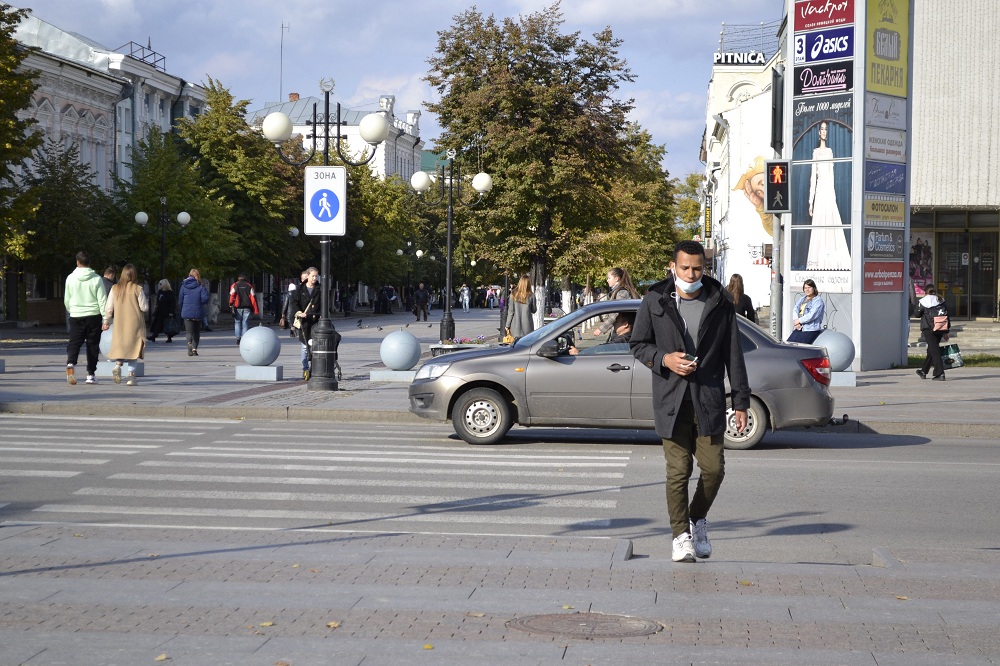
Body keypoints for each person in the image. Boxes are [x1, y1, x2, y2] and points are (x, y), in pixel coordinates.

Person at [630, 240, 750, 563]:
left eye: (697, 268)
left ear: (704, 268)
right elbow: (638, 344)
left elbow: (733, 354)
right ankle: (680, 536)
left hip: (708, 398)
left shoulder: (720, 301)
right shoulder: (655, 299)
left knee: (714, 470)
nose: (691, 274)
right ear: (673, 266)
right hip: (671, 399)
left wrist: (741, 401)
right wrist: (664, 359)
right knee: (678, 470)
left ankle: (697, 519)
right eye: (685, 267)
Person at [806, 121, 851, 271]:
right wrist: (811, 201)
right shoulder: (816, 152)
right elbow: (813, 178)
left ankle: (832, 262)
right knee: (819, 225)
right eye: (822, 129)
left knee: (832, 224)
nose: (824, 132)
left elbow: (831, 175)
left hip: (829, 191)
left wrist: (833, 195)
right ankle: (819, 262)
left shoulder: (830, 152)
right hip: (819, 191)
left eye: (826, 129)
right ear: (819, 132)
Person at [64, 251, 108, 385]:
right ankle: (91, 374)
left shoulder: (70, 278)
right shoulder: (96, 279)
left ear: (77, 262)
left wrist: (72, 310)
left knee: (74, 342)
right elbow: (102, 300)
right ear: (90, 263)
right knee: (92, 345)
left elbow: (67, 299)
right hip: (93, 315)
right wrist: (106, 318)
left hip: (76, 314)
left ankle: (71, 363)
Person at [102, 264, 148, 386]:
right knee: (134, 350)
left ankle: (117, 366)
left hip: (119, 323)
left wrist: (106, 321)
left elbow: (109, 308)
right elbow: (144, 307)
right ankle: (131, 377)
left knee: (121, 347)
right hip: (135, 324)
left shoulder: (115, 288)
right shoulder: (137, 289)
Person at [915, 287, 949, 381]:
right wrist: (946, 331)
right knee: (932, 349)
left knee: (934, 350)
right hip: (940, 327)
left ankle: (940, 373)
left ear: (925, 292)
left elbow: (917, 314)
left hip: (928, 328)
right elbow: (946, 315)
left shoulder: (923, 301)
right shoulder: (941, 300)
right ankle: (923, 371)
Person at [594, 267, 640, 336]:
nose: (607, 280)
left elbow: (616, 313)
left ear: (616, 279)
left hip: (623, 330)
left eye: (609, 278)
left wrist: (601, 329)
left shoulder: (622, 292)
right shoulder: (618, 291)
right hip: (622, 329)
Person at [293, 267, 321, 380]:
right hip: (304, 322)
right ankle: (305, 368)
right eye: (313, 276)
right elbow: (294, 303)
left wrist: (322, 315)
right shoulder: (300, 289)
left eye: (316, 276)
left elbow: (324, 304)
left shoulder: (319, 289)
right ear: (308, 276)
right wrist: (299, 313)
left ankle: (313, 368)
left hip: (315, 321)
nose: (315, 278)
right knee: (304, 346)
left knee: (314, 346)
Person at [177, 268, 210, 356]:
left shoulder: (183, 286)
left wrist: (182, 308)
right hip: (198, 311)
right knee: (196, 332)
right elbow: (205, 299)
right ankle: (194, 349)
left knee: (189, 332)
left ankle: (189, 343)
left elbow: (180, 300)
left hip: (186, 311)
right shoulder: (200, 286)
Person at [569, 312, 634, 355]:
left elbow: (604, 348)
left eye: (617, 322)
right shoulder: (627, 337)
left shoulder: (622, 341)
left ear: (625, 324)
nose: (614, 324)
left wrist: (580, 353)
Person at [788, 279, 825, 344]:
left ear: (814, 288)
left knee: (801, 346)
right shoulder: (802, 299)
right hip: (800, 327)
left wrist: (799, 320)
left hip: (810, 329)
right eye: (805, 288)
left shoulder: (818, 301)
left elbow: (812, 315)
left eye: (809, 287)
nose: (807, 290)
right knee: (789, 344)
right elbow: (795, 309)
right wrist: (797, 322)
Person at [228, 273, 259, 345]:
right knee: (245, 323)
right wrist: (256, 310)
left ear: (238, 278)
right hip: (247, 307)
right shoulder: (249, 286)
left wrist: (230, 303)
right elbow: (253, 299)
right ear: (245, 277)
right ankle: (244, 338)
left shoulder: (235, 285)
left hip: (237, 307)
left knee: (237, 322)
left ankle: (238, 338)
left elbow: (232, 296)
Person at [505, 274, 536, 340]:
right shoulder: (531, 295)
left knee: (516, 344)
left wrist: (507, 325)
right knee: (527, 344)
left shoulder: (513, 294)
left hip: (515, 326)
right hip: (527, 326)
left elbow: (510, 312)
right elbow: (534, 310)